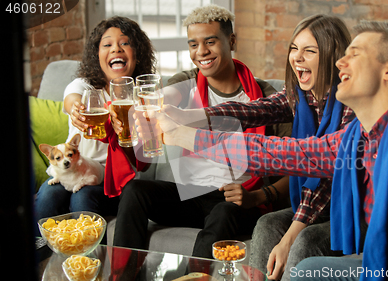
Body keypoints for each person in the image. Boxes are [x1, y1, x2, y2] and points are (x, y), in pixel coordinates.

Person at [154, 20, 388, 281]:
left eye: (355, 55)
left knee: (306, 264)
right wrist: (181, 134)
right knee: (307, 271)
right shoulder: (357, 140)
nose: (339, 64)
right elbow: (275, 152)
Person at [161, 14, 354, 280]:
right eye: (294, 48)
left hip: (350, 209)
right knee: (266, 224)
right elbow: (251, 110)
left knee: (304, 240)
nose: (297, 58)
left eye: (310, 51)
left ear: (334, 57)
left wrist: (289, 238)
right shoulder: (301, 96)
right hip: (315, 207)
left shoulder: (352, 108)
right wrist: (191, 117)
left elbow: (320, 174)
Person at [111, 4, 290, 259]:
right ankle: (122, 275)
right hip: (192, 196)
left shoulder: (267, 99)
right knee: (136, 191)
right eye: (193, 44)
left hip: (238, 200)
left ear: (232, 41)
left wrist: (257, 196)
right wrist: (143, 109)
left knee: (224, 211)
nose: (201, 52)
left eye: (210, 41)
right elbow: (167, 97)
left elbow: (297, 169)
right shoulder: (188, 82)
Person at [34, 16, 156, 231]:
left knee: (83, 197)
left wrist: (122, 136)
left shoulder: (144, 98)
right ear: (97, 55)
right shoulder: (85, 86)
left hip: (114, 183)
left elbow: (141, 163)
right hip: (73, 169)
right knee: (47, 195)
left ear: (137, 53)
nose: (116, 49)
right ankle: (39, 258)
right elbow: (72, 99)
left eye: (125, 43)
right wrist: (76, 110)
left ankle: (88, 261)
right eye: (107, 44)